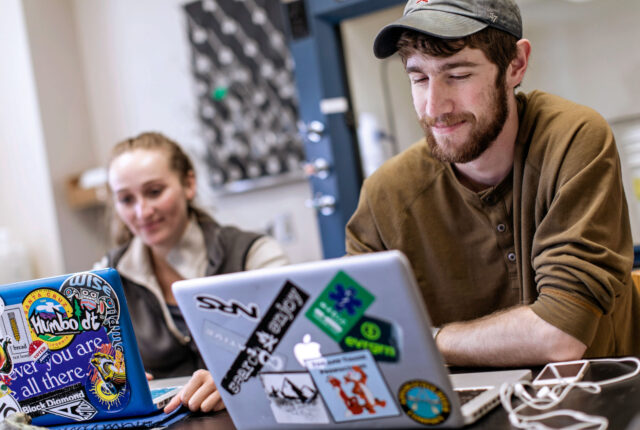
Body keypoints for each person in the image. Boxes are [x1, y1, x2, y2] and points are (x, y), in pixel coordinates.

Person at [346, 0, 640, 367]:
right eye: (419, 78)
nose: (434, 106)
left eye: (457, 74)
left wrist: (424, 339)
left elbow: (559, 335)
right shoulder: (384, 194)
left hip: (595, 403)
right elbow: (349, 324)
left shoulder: (573, 139)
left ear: (516, 64)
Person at [95, 132, 289, 413]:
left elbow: (298, 346)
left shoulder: (254, 254)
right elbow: (94, 365)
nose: (143, 211)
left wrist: (243, 377)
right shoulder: (104, 276)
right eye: (126, 199)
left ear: (189, 184)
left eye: (154, 192)